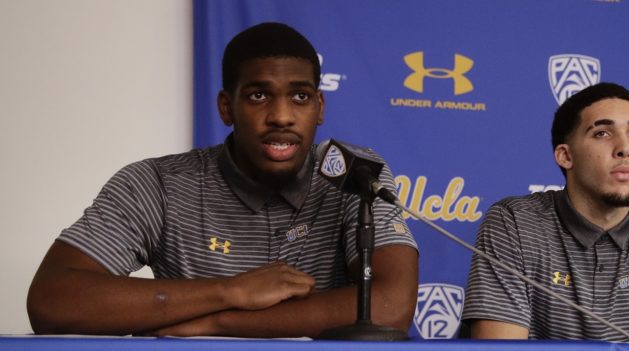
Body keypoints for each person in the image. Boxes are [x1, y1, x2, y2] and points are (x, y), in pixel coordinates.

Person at [26, 22, 418, 337]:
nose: (282, 116)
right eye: (259, 96)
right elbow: (52, 301)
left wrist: (217, 323)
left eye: (300, 97)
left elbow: (390, 308)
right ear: (226, 108)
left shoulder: (354, 174)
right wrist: (230, 290)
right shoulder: (157, 183)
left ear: (319, 107)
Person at [462, 82, 629, 342]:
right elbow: (501, 349)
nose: (625, 148)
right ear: (565, 156)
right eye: (602, 133)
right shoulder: (514, 223)